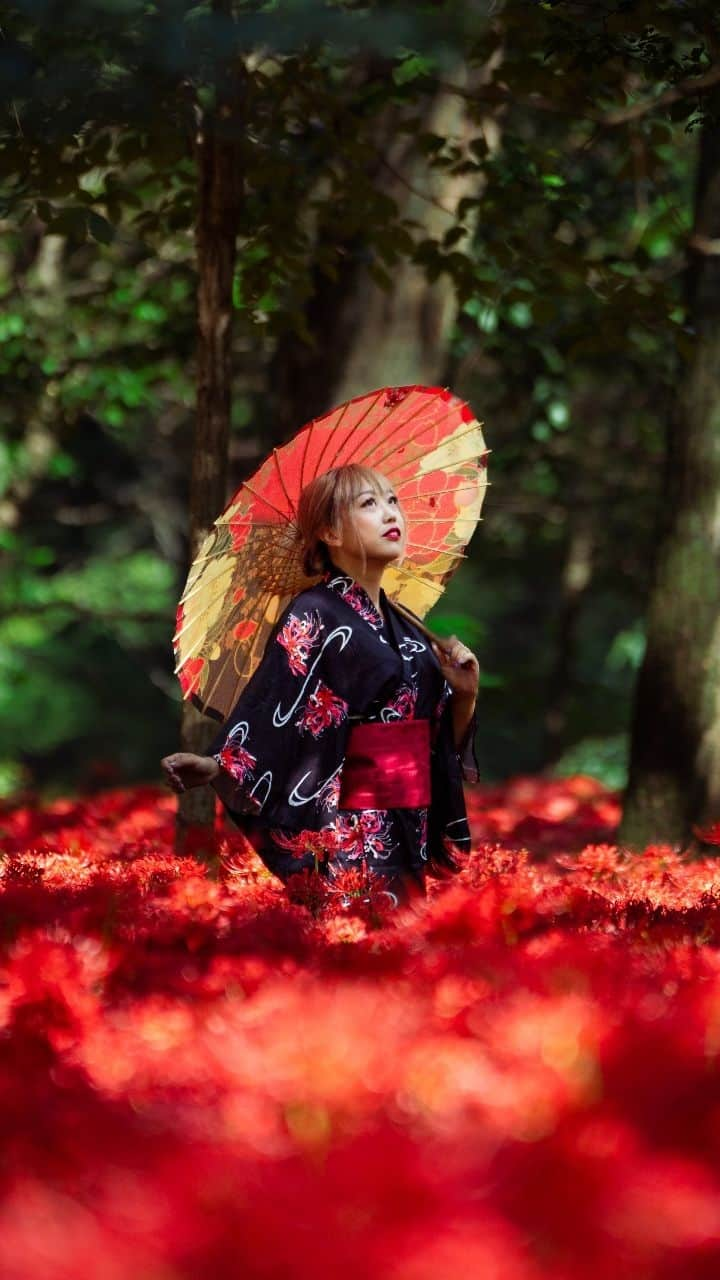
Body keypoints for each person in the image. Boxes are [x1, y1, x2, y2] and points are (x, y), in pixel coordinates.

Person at [161, 463, 480, 907]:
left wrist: (464, 693)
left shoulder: (408, 626)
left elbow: (439, 739)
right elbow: (275, 704)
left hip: (410, 819)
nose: (392, 514)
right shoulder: (314, 612)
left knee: (404, 951)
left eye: (392, 501)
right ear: (329, 532)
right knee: (360, 947)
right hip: (349, 826)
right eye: (369, 504)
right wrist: (220, 766)